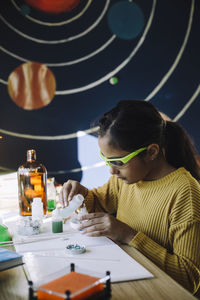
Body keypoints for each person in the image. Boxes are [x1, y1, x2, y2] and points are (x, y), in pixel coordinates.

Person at [59, 100, 200, 294]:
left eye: (118, 161)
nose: (111, 171)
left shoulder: (185, 193)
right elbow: (98, 202)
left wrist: (129, 235)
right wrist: (81, 194)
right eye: (106, 159)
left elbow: (189, 278)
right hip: (130, 275)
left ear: (151, 152)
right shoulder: (127, 178)